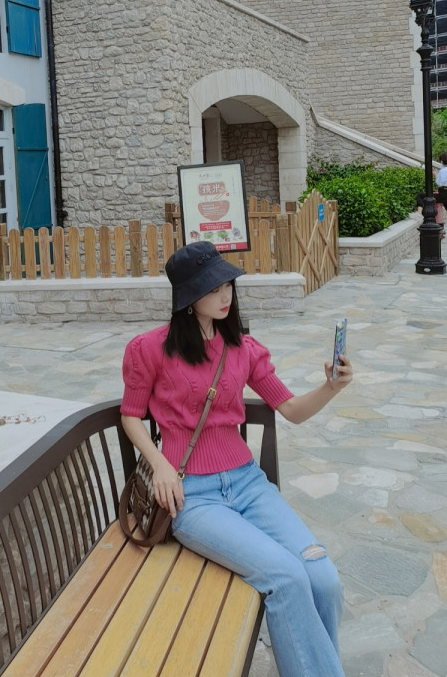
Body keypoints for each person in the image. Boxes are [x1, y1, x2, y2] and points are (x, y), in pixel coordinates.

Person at [120, 241, 352, 677]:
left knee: (323, 578)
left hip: (247, 483)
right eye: (212, 288)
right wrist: (161, 464)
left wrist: (331, 388)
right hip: (193, 497)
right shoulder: (148, 350)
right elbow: (131, 416)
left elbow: (291, 410)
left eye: (227, 284)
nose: (225, 295)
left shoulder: (244, 348)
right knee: (285, 577)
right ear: (188, 297)